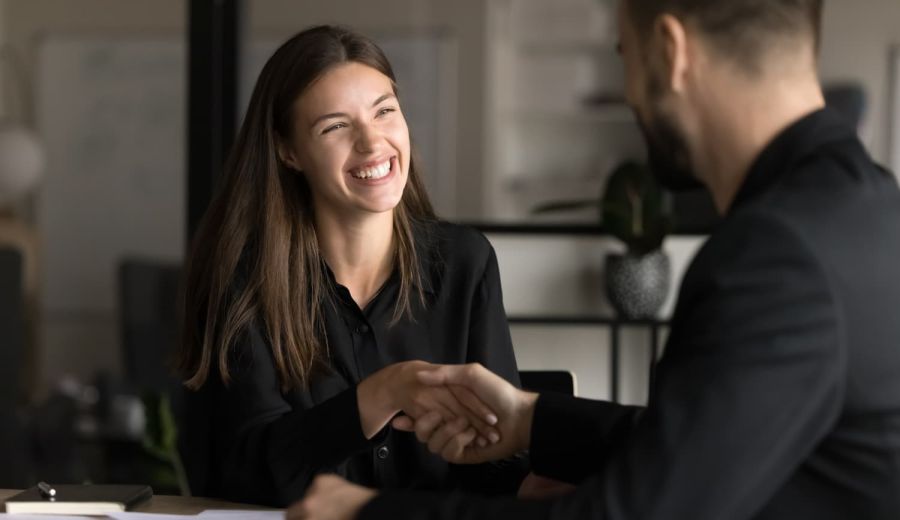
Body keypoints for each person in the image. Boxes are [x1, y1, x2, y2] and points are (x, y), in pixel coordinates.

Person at [288, 0, 900, 518]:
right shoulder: (867, 207)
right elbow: (702, 443)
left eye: (624, 57)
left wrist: (366, 512)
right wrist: (532, 420)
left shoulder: (775, 257)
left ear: (670, 50)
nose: (632, 91)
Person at [176, 25, 526, 508]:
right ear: (288, 151)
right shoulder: (243, 279)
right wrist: (380, 394)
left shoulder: (465, 263)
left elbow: (501, 462)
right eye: (335, 126)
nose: (372, 142)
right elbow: (241, 475)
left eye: (385, 111)